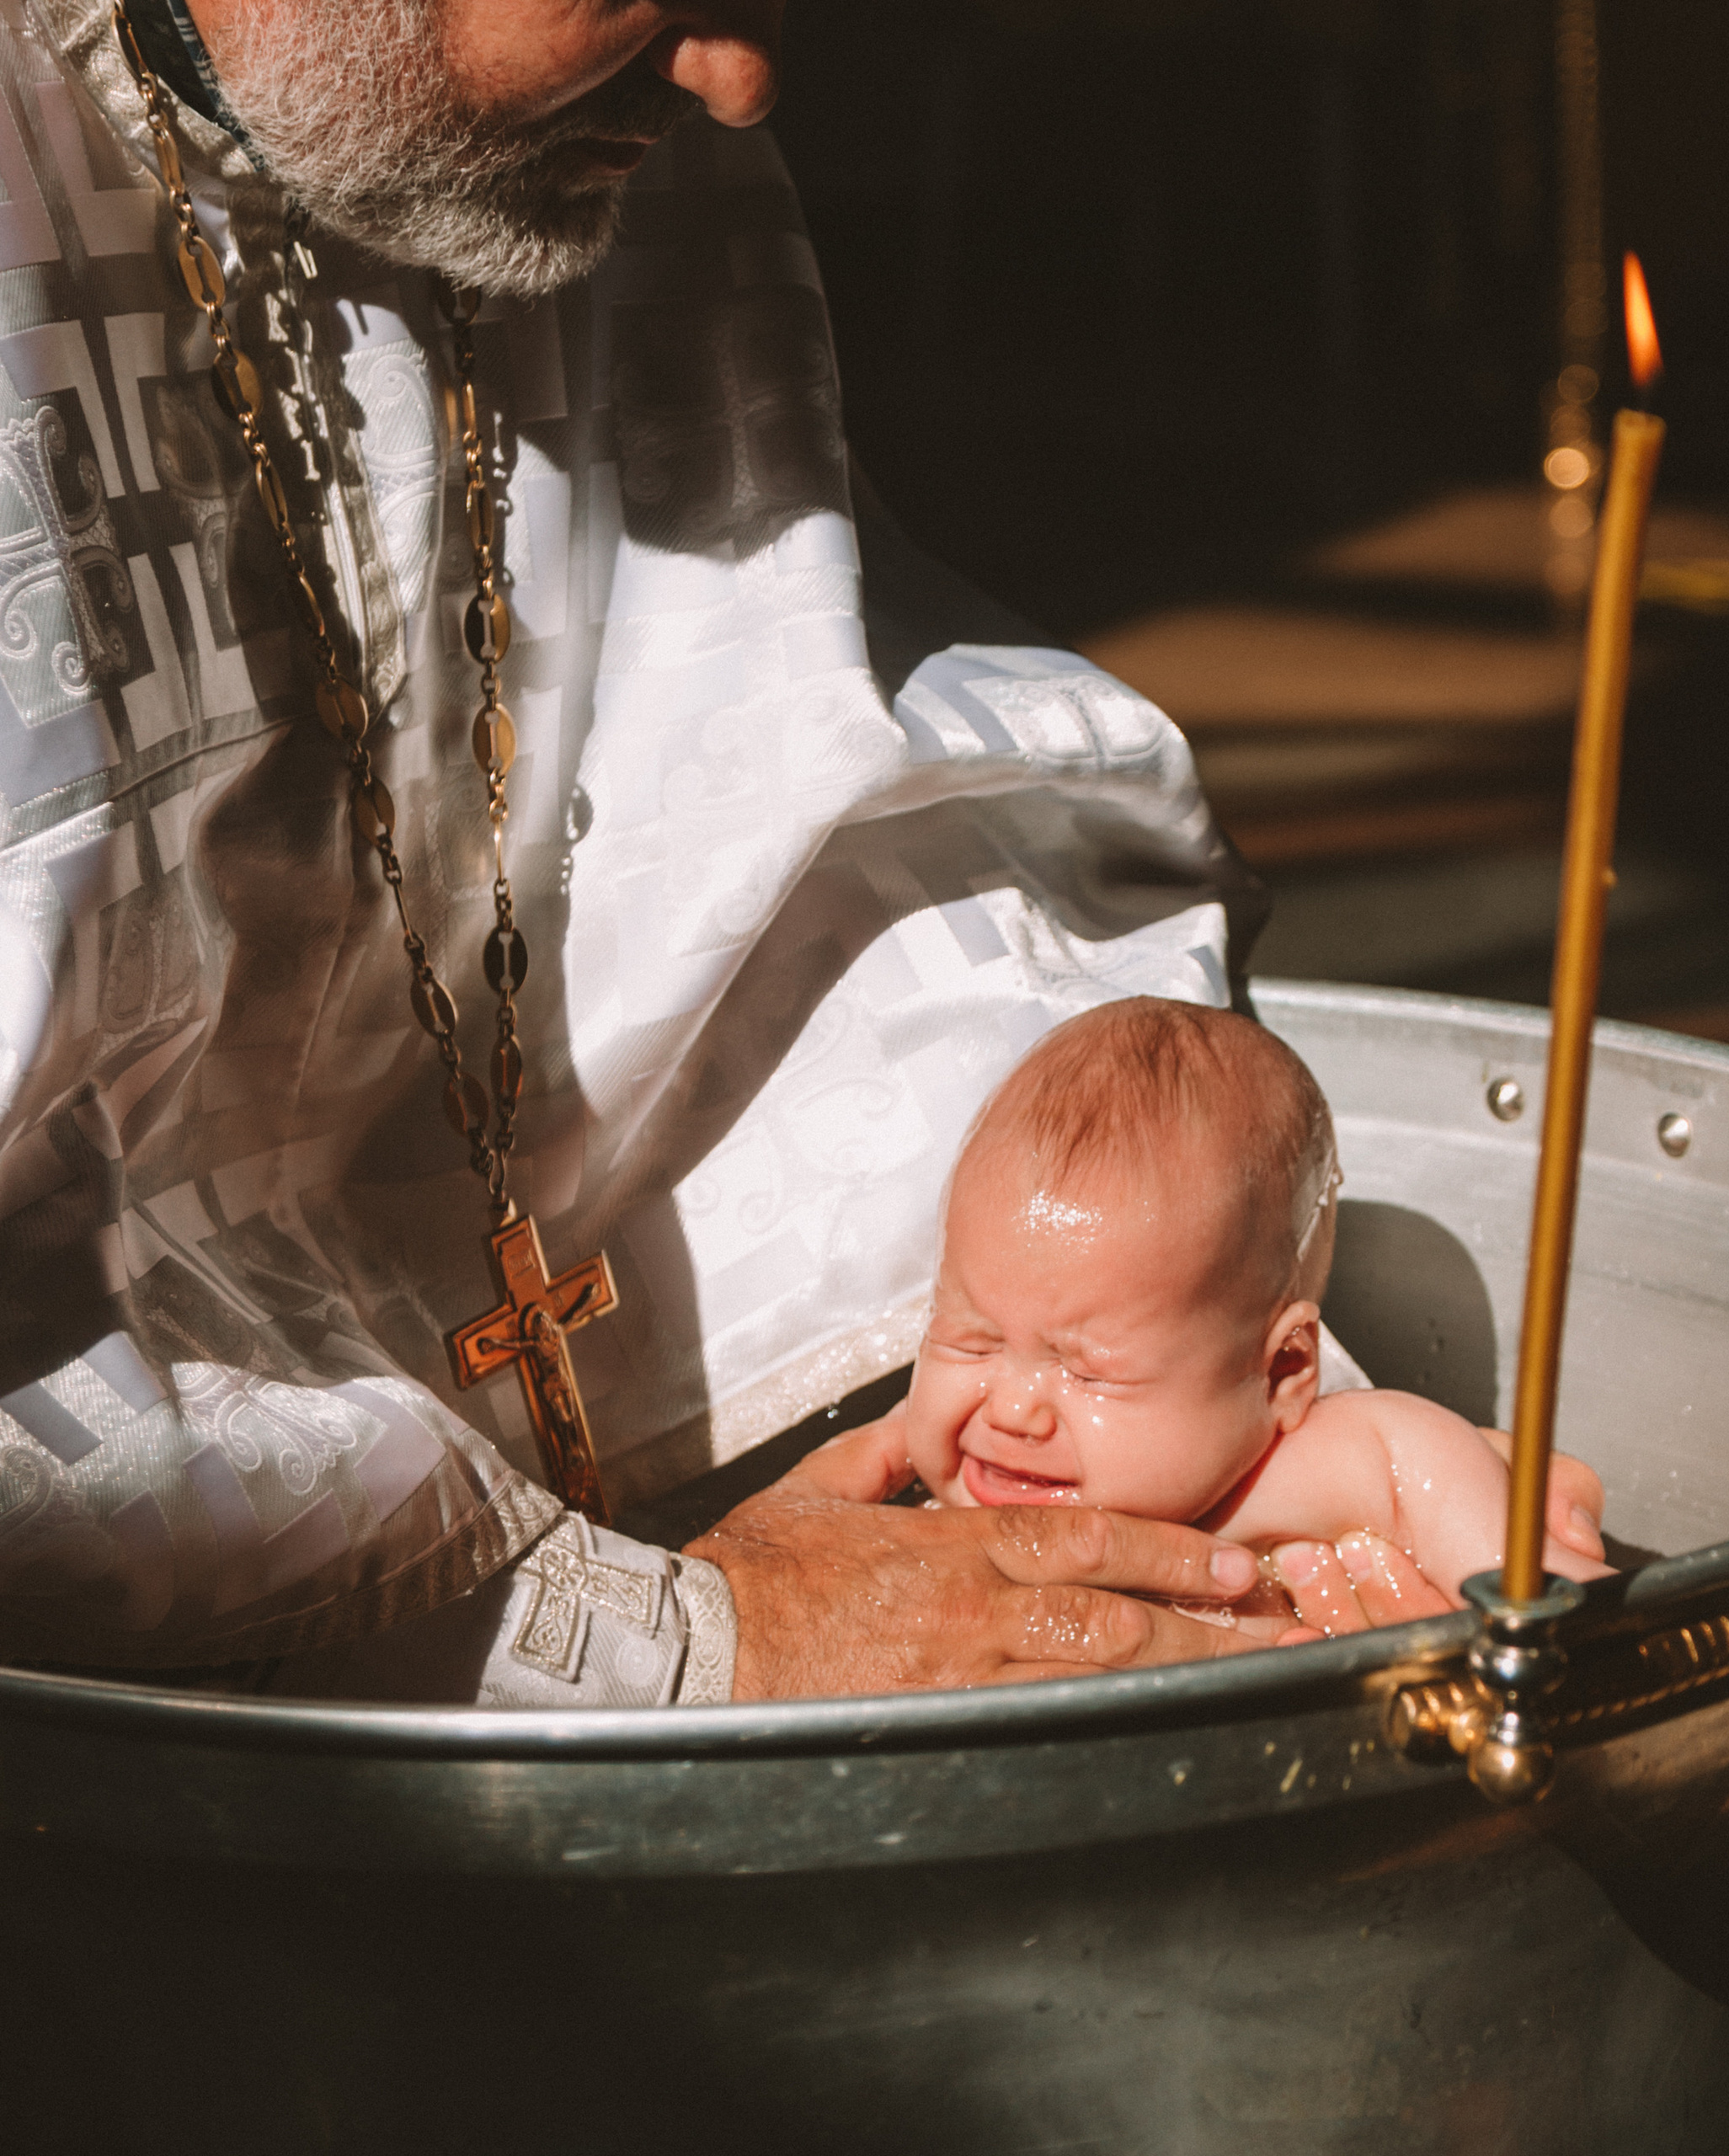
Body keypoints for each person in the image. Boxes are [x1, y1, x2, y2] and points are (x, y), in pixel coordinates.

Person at [0, 0, 1599, 1705]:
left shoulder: (604, 119)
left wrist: (1209, 1394)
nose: (741, 84)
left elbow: (795, 781)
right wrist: (657, 1636)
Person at [894, 999, 1607, 1630]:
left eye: (1088, 1373)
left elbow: (1572, 1624)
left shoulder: (1329, 1471)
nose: (1012, 1410)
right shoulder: (907, 1490)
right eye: (971, 1343)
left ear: (1282, 1371)